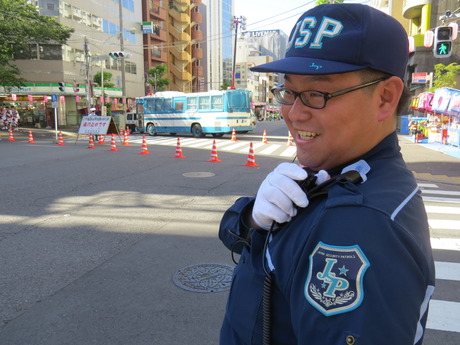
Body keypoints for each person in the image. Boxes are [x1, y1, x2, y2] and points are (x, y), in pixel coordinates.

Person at [218, 4, 435, 345]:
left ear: (385, 98)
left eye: (317, 94)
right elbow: (241, 239)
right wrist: (251, 218)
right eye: (288, 91)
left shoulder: (359, 226)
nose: (294, 113)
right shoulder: (333, 173)